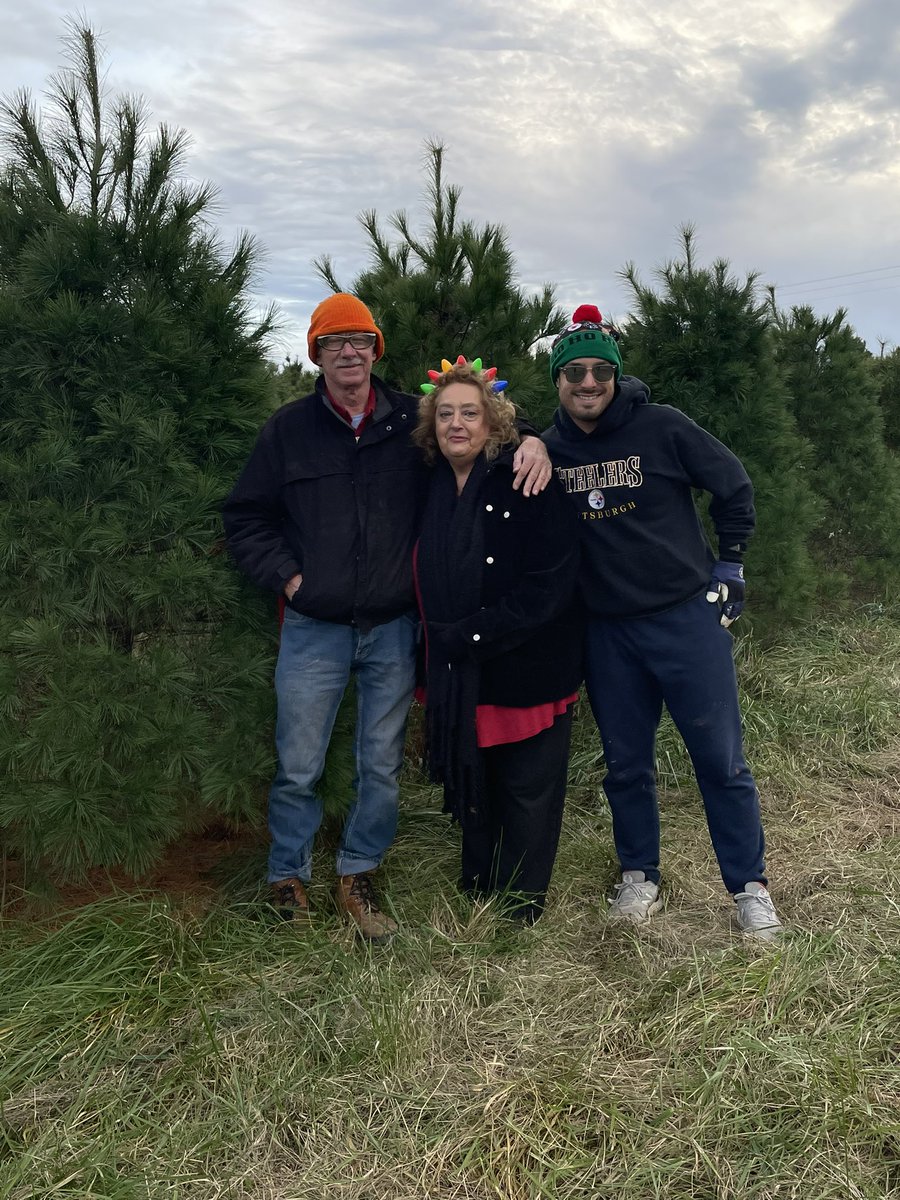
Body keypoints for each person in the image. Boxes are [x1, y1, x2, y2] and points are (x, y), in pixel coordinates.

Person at [222, 295, 552, 940]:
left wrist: (537, 436)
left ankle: (360, 874)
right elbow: (246, 518)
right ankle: (287, 878)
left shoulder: (410, 419)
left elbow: (479, 413)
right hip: (314, 627)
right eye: (334, 341)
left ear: (377, 350)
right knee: (299, 763)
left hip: (395, 628)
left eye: (361, 340)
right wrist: (290, 579)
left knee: (381, 761)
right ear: (315, 353)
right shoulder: (289, 430)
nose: (350, 352)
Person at [542, 305, 782, 940]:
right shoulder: (552, 447)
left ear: (615, 375)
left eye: (600, 371)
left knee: (720, 760)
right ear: (558, 382)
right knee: (626, 765)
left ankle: (749, 887)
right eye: (574, 373)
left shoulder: (664, 428)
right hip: (608, 633)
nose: (588, 383)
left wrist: (730, 564)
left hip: (685, 620)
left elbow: (733, 485)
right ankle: (639, 875)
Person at [413, 356, 582, 924]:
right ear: (431, 425)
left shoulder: (525, 476)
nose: (456, 424)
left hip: (524, 659)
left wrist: (474, 633)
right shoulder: (428, 481)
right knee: (476, 773)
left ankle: (520, 902)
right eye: (445, 415)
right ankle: (478, 878)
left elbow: (551, 580)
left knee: (527, 785)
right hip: (458, 668)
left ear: (494, 421)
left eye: (470, 413)